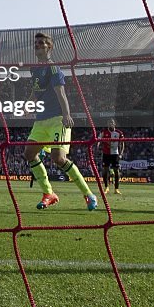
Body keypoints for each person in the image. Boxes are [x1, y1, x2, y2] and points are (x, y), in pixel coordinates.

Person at [24, 32, 97, 211]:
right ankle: (49, 193)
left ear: (49, 47)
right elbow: (35, 92)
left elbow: (61, 93)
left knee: (58, 158)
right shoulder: (34, 69)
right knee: (28, 154)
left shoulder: (54, 67)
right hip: (41, 121)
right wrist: (27, 106)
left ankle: (88, 194)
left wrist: (66, 114)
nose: (37, 45)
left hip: (57, 119)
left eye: (41, 43)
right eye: (36, 43)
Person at [101, 118, 124, 195]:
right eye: (109, 122)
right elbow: (98, 139)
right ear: (107, 124)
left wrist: (121, 154)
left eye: (112, 122)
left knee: (116, 171)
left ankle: (116, 189)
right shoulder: (104, 132)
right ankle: (106, 187)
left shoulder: (119, 133)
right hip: (106, 154)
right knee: (105, 170)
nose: (110, 124)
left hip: (115, 154)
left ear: (115, 124)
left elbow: (122, 144)